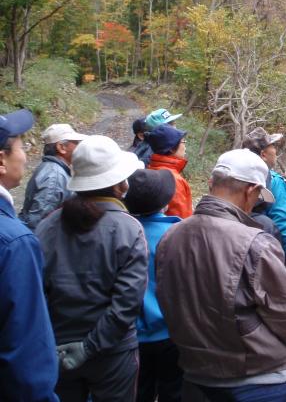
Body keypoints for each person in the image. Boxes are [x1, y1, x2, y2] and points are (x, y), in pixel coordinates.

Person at [156, 149, 286, 401]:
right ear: (251, 190)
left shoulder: (170, 236)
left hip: (194, 373)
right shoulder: (254, 241)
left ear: (211, 183)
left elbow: (167, 299)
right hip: (254, 377)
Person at [36, 135, 148, 402]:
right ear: (120, 185)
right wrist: (90, 347)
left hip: (58, 348)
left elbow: (37, 293)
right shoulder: (128, 228)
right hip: (113, 353)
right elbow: (127, 303)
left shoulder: (47, 226)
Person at [0, 109, 59, 401]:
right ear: (1, 159)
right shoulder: (15, 242)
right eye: (22, 146)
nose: (25, 155)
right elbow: (26, 347)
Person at [124, 169, 183, 402]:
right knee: (173, 391)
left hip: (129, 333)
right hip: (171, 331)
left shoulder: (121, 231)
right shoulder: (177, 233)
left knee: (139, 392)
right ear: (165, 202)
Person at [242, 127, 286, 278]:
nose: (275, 150)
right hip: (279, 252)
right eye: (272, 146)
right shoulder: (274, 181)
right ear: (263, 154)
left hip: (254, 251)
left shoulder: (241, 180)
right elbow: (282, 220)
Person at [20, 123, 87, 230]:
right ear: (62, 147)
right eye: (76, 143)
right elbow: (38, 221)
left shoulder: (51, 168)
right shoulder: (54, 176)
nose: (79, 147)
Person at [146, 123, 193, 218]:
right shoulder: (173, 180)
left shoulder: (150, 169)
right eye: (183, 142)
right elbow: (181, 218)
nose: (185, 146)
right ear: (171, 148)